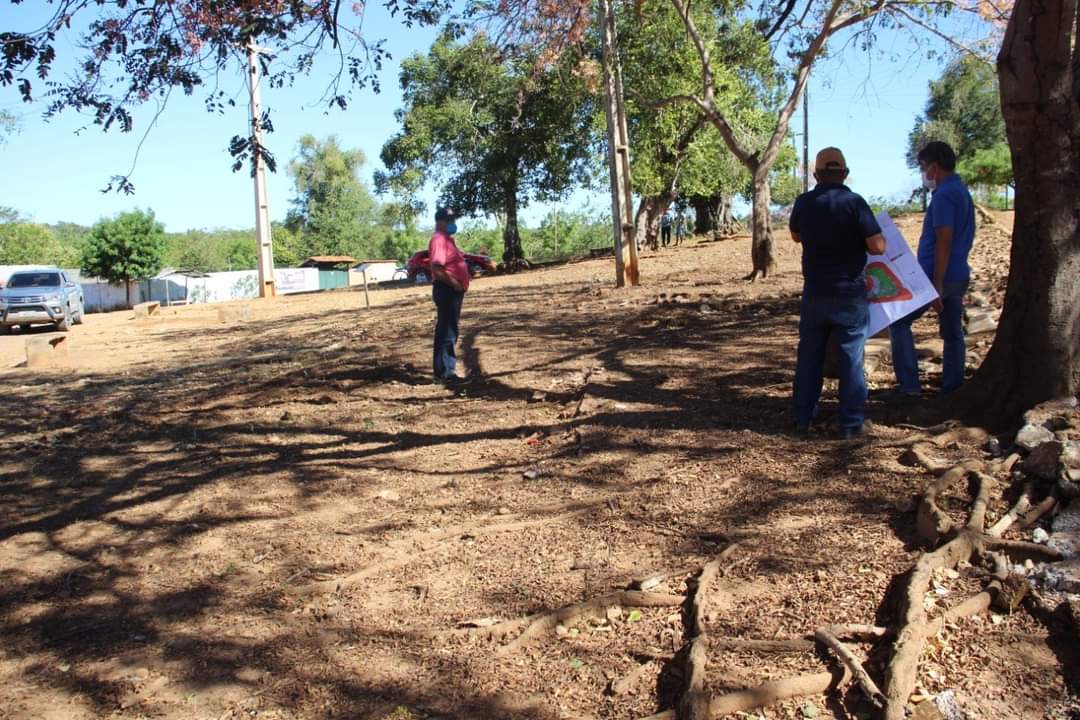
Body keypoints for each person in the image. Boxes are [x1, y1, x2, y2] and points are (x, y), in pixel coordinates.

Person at [790, 147, 886, 439]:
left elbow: (795, 235)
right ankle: (850, 423)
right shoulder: (855, 203)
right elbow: (878, 246)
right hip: (850, 296)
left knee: (809, 358)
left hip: (815, 293)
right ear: (844, 174)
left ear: (816, 174)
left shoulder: (804, 203)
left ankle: (801, 418)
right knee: (851, 360)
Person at [889, 141, 976, 397]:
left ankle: (909, 387)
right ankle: (952, 385)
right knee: (952, 332)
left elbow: (943, 240)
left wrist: (936, 283)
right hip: (958, 273)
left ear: (934, 168)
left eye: (923, 167)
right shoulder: (960, 190)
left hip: (937, 276)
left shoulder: (944, 196)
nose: (923, 173)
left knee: (899, 323)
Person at [428, 207, 470, 383]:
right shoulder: (439, 240)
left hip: (451, 290)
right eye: (449, 220)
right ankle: (446, 373)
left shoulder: (447, 240)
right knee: (447, 331)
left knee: (448, 329)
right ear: (439, 221)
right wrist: (455, 284)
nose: (452, 223)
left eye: (453, 220)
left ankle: (443, 370)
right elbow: (437, 268)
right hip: (447, 290)